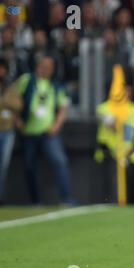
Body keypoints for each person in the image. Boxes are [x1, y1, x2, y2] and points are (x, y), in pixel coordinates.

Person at [15, 56, 76, 205]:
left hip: (49, 133)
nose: (47, 69)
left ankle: (66, 198)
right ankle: (35, 201)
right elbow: (13, 98)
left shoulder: (55, 86)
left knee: (60, 161)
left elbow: (62, 110)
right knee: (30, 167)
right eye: (44, 66)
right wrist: (17, 119)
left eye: (50, 67)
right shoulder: (26, 80)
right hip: (29, 132)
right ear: (37, 66)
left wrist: (56, 126)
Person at [0, 58, 22, 203]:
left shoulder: (10, 87)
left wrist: (3, 100)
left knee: (3, 166)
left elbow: (18, 105)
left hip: (7, 131)